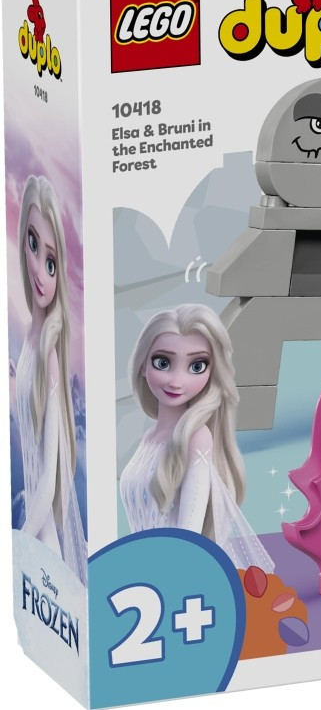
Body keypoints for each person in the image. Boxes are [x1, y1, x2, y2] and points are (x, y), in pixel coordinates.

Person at [120, 304, 274, 571]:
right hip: (139, 571)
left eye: (196, 366)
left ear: (212, 372)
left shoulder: (197, 437)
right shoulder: (149, 439)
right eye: (163, 363)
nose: (176, 381)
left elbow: (188, 535)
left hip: (173, 573)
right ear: (143, 365)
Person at [16, 175, 87, 583]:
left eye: (52, 263)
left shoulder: (49, 350)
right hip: (37, 536)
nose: (42, 274)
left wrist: (20, 539)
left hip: (42, 539)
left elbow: (50, 472)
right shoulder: (30, 341)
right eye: (32, 244)